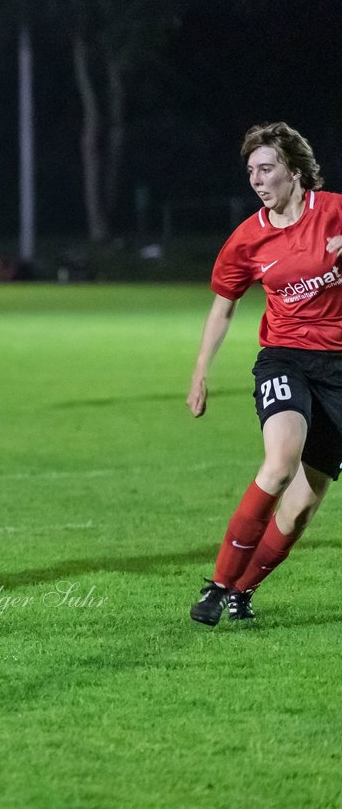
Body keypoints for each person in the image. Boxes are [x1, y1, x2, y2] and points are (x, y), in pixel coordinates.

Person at [187, 122, 342, 626]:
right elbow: (223, 307)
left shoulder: (336, 212)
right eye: (251, 170)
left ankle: (243, 589)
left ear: (295, 171)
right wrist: (200, 372)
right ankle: (216, 585)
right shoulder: (248, 238)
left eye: (267, 168)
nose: (257, 179)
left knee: (300, 507)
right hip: (285, 357)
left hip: (337, 370)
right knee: (279, 463)